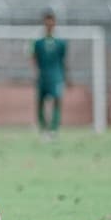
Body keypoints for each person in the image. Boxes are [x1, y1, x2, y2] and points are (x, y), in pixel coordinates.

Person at [33, 11, 68, 139]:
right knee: (40, 102)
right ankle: (43, 128)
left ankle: (54, 128)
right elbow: (34, 58)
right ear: (44, 23)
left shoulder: (61, 43)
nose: (49, 25)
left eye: (51, 22)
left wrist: (66, 77)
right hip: (43, 76)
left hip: (56, 76)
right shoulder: (38, 42)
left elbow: (64, 60)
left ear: (54, 23)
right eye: (47, 22)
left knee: (57, 101)